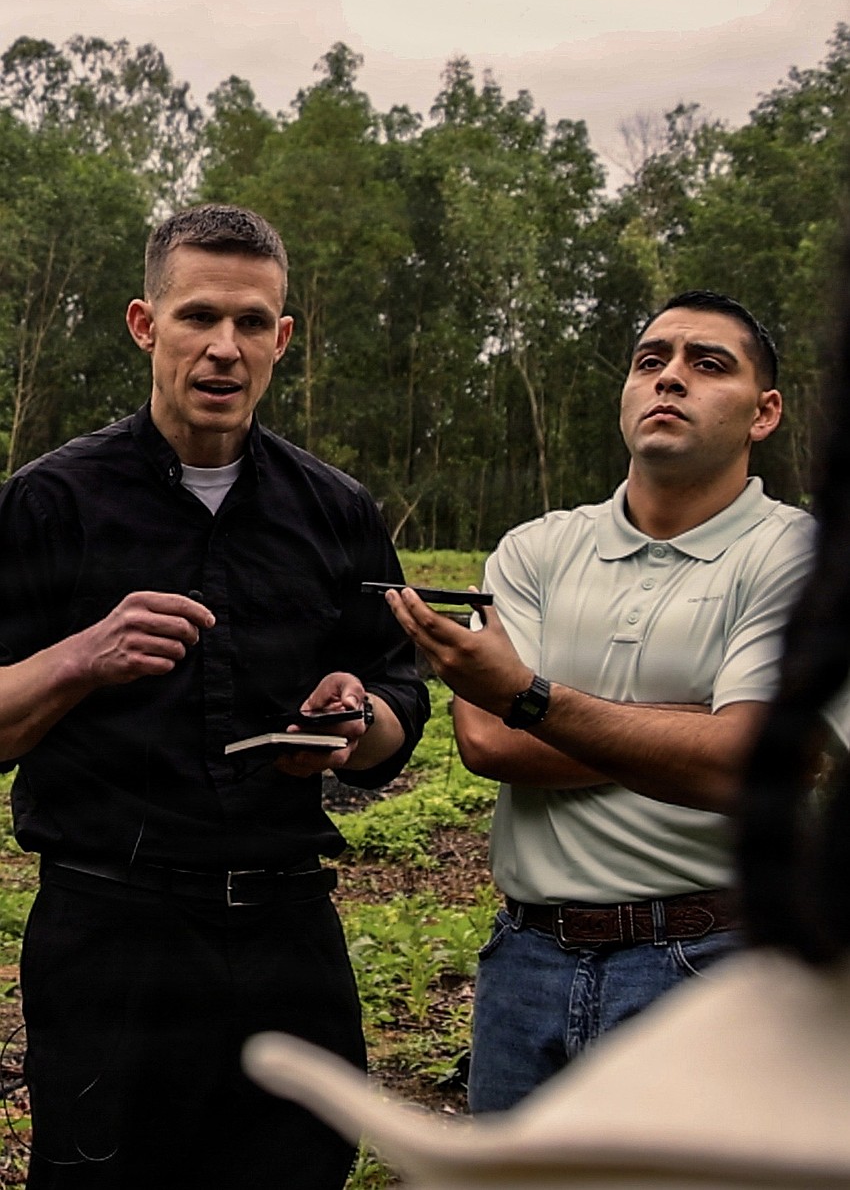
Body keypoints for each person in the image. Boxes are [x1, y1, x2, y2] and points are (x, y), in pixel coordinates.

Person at [0, 203, 429, 1190]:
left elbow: (398, 692)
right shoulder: (51, 503)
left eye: (250, 323)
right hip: (113, 931)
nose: (223, 348)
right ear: (145, 326)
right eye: (197, 317)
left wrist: (360, 722)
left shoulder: (336, 512)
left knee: (296, 1170)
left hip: (290, 930)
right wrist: (81, 657)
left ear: (281, 339)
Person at [386, 290, 848, 1113]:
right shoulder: (534, 549)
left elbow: (747, 768)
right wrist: (692, 725)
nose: (670, 377)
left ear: (765, 412)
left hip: (717, 959)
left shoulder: (798, 556)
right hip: (525, 962)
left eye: (708, 364)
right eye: (651, 360)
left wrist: (531, 694)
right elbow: (488, 742)